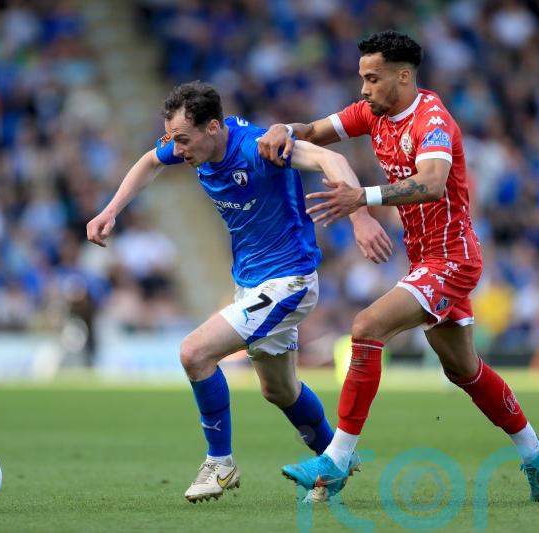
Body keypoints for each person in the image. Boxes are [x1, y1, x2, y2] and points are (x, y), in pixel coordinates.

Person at [258, 31, 539, 502]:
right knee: (463, 370)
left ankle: (335, 461)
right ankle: (533, 451)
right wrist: (287, 129)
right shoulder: (371, 113)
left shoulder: (432, 119)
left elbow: (434, 182)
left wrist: (364, 198)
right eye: (362, 78)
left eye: (372, 78)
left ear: (402, 77)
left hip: (454, 259)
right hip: (426, 258)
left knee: (366, 327)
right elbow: (315, 130)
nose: (363, 89)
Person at [86, 81, 393, 503]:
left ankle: (220, 464)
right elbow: (148, 162)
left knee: (195, 353)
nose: (178, 149)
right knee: (279, 391)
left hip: (289, 281)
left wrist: (359, 218)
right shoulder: (192, 144)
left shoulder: (259, 148)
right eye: (172, 139)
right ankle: (332, 465)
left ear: (213, 128)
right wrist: (110, 210)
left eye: (183, 139)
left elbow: (331, 157)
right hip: (252, 283)